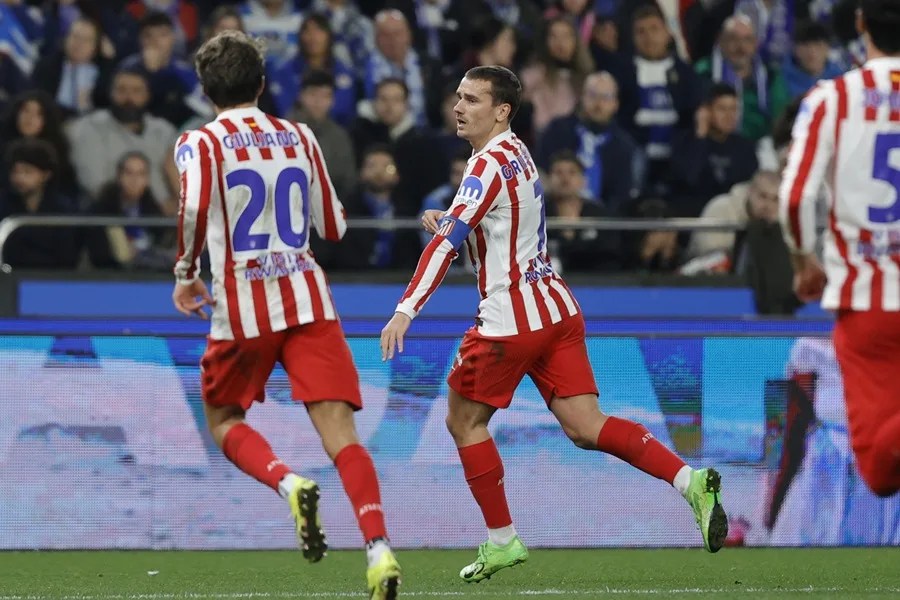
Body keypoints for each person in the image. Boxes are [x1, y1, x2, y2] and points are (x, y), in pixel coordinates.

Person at [380, 65, 728, 583]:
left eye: (472, 99)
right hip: (556, 308)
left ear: (501, 111)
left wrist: (406, 308)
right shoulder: (516, 152)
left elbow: (447, 245)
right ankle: (689, 481)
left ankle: (502, 540)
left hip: (509, 321)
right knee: (587, 426)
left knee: (464, 422)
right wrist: (450, 219)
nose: (458, 107)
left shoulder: (484, 166)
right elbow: (494, 225)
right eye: (458, 97)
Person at [171, 30, 401, 599]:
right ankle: (378, 549)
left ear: (206, 91)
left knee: (224, 420)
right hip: (307, 300)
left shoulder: (198, 143)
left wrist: (185, 271)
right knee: (342, 435)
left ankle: (288, 482)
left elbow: (194, 205)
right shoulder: (301, 135)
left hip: (242, 308)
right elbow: (335, 227)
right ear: (263, 84)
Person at [778, 0, 900, 498]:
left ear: (861, 23)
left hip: (867, 303)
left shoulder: (832, 98)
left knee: (880, 473)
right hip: (866, 302)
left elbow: (795, 197)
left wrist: (803, 261)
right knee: (883, 473)